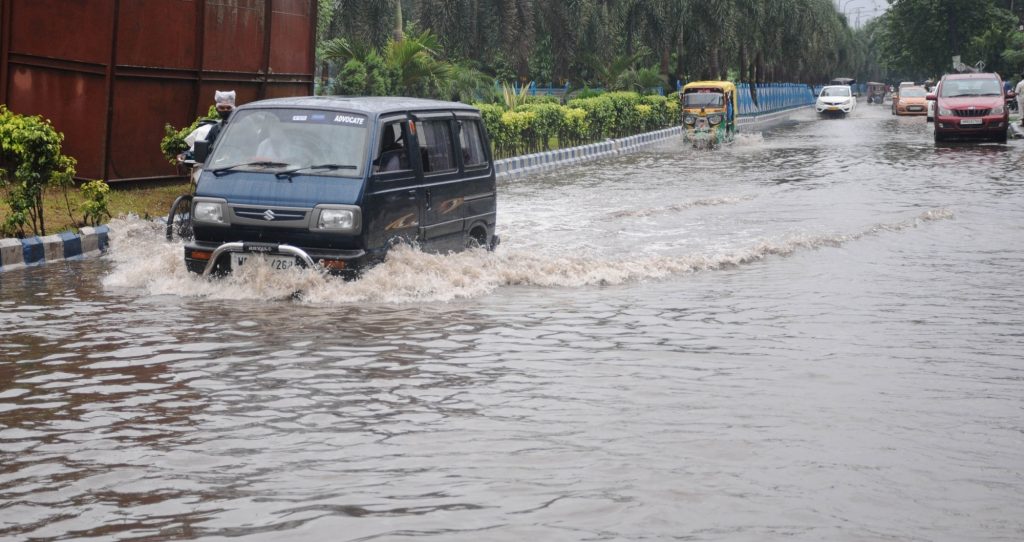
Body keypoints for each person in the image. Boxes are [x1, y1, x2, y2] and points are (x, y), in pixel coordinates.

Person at [180, 90, 236, 161]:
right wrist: (186, 155)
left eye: (228, 108)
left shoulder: (243, 127)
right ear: (217, 109)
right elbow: (204, 150)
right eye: (222, 108)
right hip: (218, 167)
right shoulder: (215, 129)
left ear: (234, 108)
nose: (225, 110)